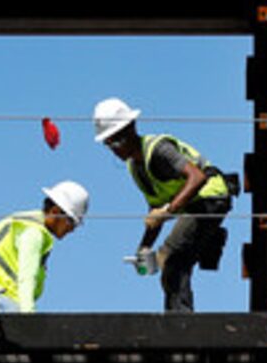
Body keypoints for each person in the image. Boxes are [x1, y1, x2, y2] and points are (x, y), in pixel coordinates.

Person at [93, 98, 233, 313]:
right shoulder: (135, 167)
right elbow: (155, 212)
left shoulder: (158, 149)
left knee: (170, 258)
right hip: (192, 206)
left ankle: (181, 325)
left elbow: (197, 177)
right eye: (108, 144)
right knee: (176, 258)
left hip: (210, 198)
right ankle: (205, 240)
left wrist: (168, 212)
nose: (114, 150)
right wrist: (144, 247)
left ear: (131, 130)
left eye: (116, 142)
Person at [0, 181, 90, 315]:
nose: (72, 229)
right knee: (23, 334)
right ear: (55, 212)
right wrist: (28, 316)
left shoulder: (30, 225)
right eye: (71, 221)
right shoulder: (34, 233)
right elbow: (27, 277)